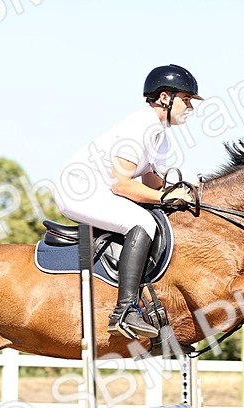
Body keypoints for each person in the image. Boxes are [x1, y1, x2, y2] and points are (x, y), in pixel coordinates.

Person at [54, 64, 201, 339]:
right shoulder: (140, 125)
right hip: (79, 190)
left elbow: (154, 184)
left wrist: (188, 191)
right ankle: (124, 312)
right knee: (142, 221)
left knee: (156, 217)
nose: (190, 106)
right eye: (186, 99)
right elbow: (122, 184)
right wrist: (165, 196)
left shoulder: (161, 136)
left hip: (102, 190)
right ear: (165, 98)